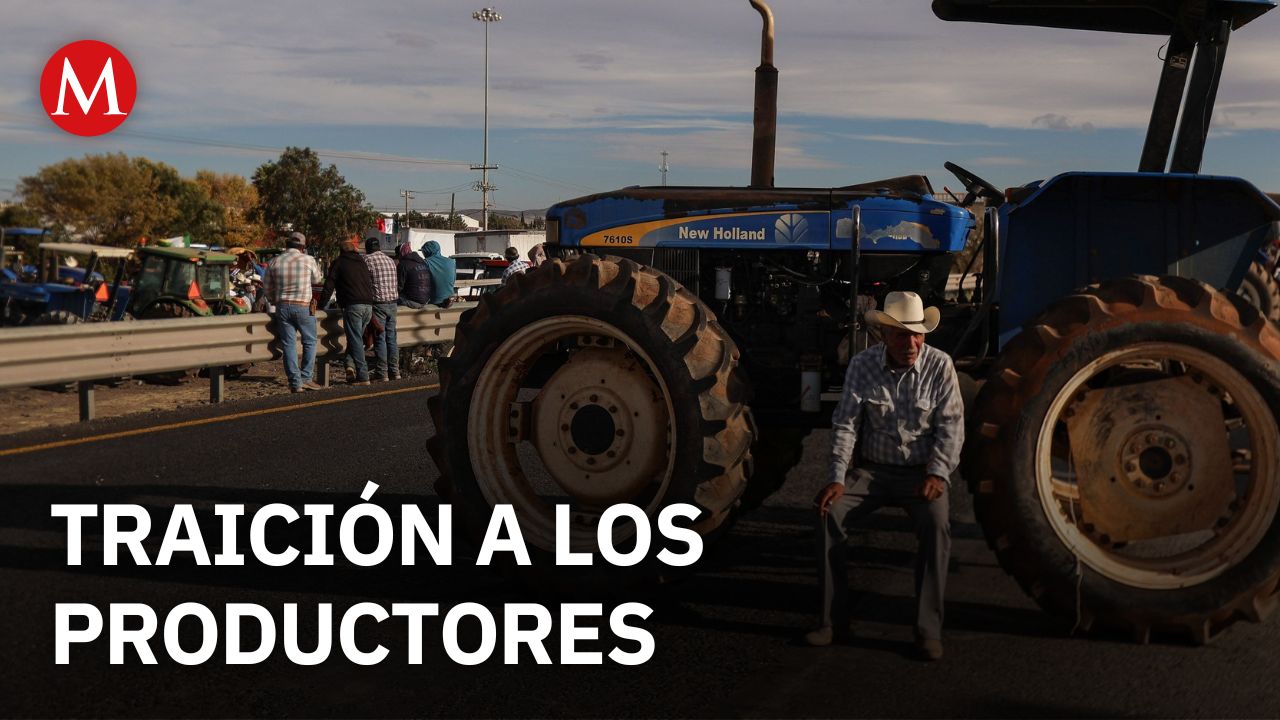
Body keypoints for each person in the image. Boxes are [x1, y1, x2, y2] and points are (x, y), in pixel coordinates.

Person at [808, 291, 964, 661]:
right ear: (884, 336)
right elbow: (845, 425)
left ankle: (928, 630)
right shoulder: (862, 366)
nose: (911, 343)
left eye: (917, 334)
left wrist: (938, 473)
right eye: (901, 335)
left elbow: (952, 427)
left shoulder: (940, 366)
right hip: (873, 473)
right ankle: (831, 622)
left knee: (937, 524)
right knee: (830, 512)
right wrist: (837, 477)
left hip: (921, 473)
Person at [262, 232, 323, 393]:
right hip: (303, 306)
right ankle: (306, 378)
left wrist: (274, 300)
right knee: (309, 342)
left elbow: (266, 287)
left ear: (287, 245)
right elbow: (317, 280)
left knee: (289, 344)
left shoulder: (274, 261)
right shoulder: (308, 260)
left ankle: (295, 383)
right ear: (302, 247)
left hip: (282, 307)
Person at [319, 234, 377, 385]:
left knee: (355, 339)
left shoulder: (339, 263)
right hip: (368, 306)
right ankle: (350, 367)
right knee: (355, 339)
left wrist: (321, 305)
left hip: (353, 305)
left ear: (341, 251)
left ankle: (363, 376)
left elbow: (328, 286)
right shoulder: (362, 262)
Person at [363, 237, 400, 381]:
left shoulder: (367, 260)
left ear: (367, 248)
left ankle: (382, 372)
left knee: (380, 337)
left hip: (379, 304)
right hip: (393, 303)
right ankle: (395, 371)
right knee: (392, 338)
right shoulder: (390, 260)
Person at [396, 243, 432, 309]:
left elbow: (399, 286)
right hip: (426, 300)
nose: (398, 258)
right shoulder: (422, 261)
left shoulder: (403, 264)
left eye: (398, 255)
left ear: (401, 253)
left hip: (413, 301)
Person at [420, 240, 456, 306]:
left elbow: (422, 282)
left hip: (435, 301)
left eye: (423, 252)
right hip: (451, 300)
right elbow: (453, 281)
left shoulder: (425, 262)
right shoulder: (451, 262)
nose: (423, 254)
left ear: (427, 251)